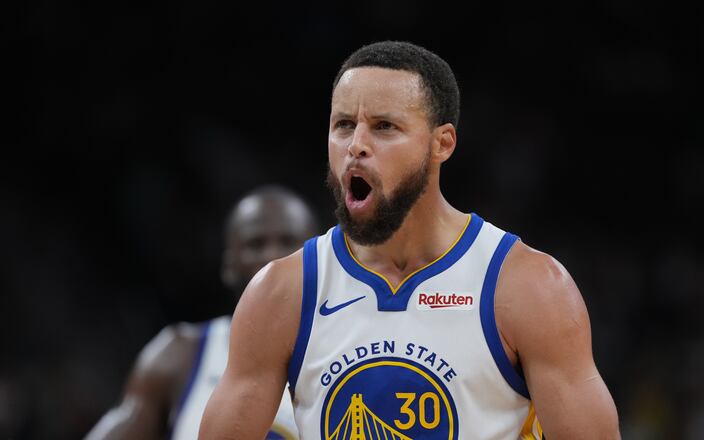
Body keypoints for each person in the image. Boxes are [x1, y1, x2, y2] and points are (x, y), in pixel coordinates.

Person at [200, 41, 620, 439]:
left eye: (384, 127)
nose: (356, 146)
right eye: (343, 125)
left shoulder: (528, 287)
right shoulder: (282, 292)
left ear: (442, 143)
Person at [86, 185, 318, 440]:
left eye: (288, 242)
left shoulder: (351, 348)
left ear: (319, 259)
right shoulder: (179, 355)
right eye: (256, 244)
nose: (272, 257)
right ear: (229, 266)